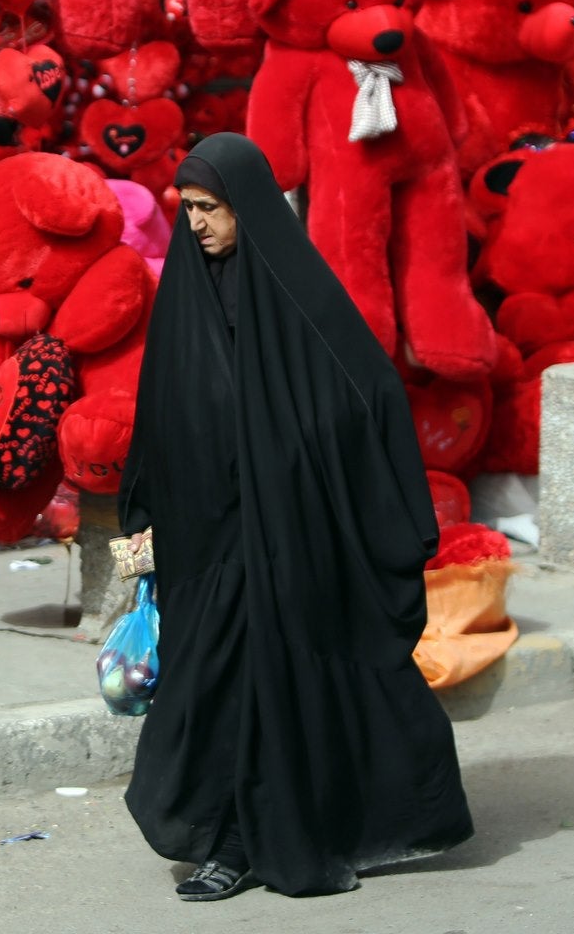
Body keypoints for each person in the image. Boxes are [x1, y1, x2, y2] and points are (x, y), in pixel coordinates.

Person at [117, 132, 473, 901]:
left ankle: (239, 841)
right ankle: (242, 828)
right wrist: (141, 517)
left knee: (262, 686)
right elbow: (159, 418)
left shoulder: (295, 292)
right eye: (187, 210)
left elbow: (368, 392)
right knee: (210, 686)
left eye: (210, 209)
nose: (197, 225)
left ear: (246, 205)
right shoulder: (187, 295)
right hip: (204, 540)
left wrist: (294, 450)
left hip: (288, 540)